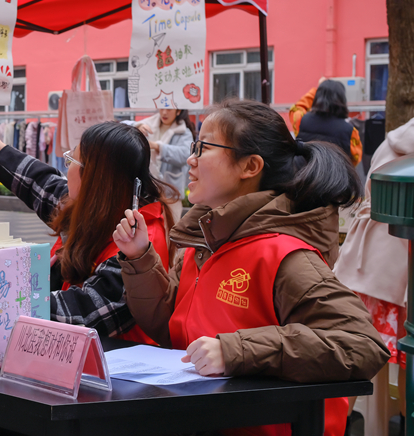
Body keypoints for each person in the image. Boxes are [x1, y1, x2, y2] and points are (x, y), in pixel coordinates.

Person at [113, 100, 389, 436]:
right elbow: (169, 326)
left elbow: (360, 344)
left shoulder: (286, 255)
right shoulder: (203, 240)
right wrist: (140, 257)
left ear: (251, 166)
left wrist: (237, 351)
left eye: (204, 147)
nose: (191, 159)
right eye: (193, 146)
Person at [0, 121, 176, 436]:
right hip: (54, 363)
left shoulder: (141, 238)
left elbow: (84, 312)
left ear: (95, 179)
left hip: (102, 390)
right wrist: (1, 153)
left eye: (73, 161)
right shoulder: (99, 208)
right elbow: (47, 187)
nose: (66, 168)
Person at [334, 115, 414, 436]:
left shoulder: (392, 140)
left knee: (359, 360)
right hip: (401, 271)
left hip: (365, 267)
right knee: (407, 360)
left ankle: (338, 427)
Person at [131, 108, 197, 220]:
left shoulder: (184, 132)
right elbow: (124, 125)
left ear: (178, 111)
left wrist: (157, 146)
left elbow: (184, 155)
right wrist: (137, 126)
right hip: (148, 190)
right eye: (162, 108)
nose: (164, 112)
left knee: (171, 229)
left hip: (171, 194)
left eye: (169, 109)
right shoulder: (148, 123)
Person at [290, 79, 363, 166]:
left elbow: (297, 108)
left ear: (317, 97)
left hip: (303, 176)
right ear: (342, 100)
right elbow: (355, 159)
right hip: (335, 178)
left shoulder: (301, 120)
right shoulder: (350, 131)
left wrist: (318, 89)